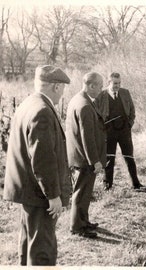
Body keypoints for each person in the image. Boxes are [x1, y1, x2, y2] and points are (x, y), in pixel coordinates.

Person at [3, 65, 72, 265]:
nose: (62, 93)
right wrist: (53, 195)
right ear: (56, 87)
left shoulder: (28, 104)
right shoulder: (42, 111)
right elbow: (42, 159)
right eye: (63, 88)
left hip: (28, 191)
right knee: (43, 250)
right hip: (39, 194)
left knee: (29, 242)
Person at [66, 72, 106, 238]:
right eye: (100, 86)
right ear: (91, 85)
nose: (101, 90)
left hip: (79, 156)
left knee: (84, 192)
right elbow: (86, 137)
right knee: (81, 193)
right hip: (84, 159)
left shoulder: (77, 99)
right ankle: (77, 227)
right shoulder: (84, 105)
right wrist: (95, 161)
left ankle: (84, 221)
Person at [95, 72, 146, 191]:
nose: (117, 85)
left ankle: (136, 184)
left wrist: (130, 124)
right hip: (109, 131)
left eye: (119, 83)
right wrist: (101, 127)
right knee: (109, 158)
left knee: (129, 157)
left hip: (124, 131)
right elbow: (96, 113)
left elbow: (132, 110)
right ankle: (107, 185)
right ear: (109, 82)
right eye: (114, 83)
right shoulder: (101, 95)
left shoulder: (125, 92)